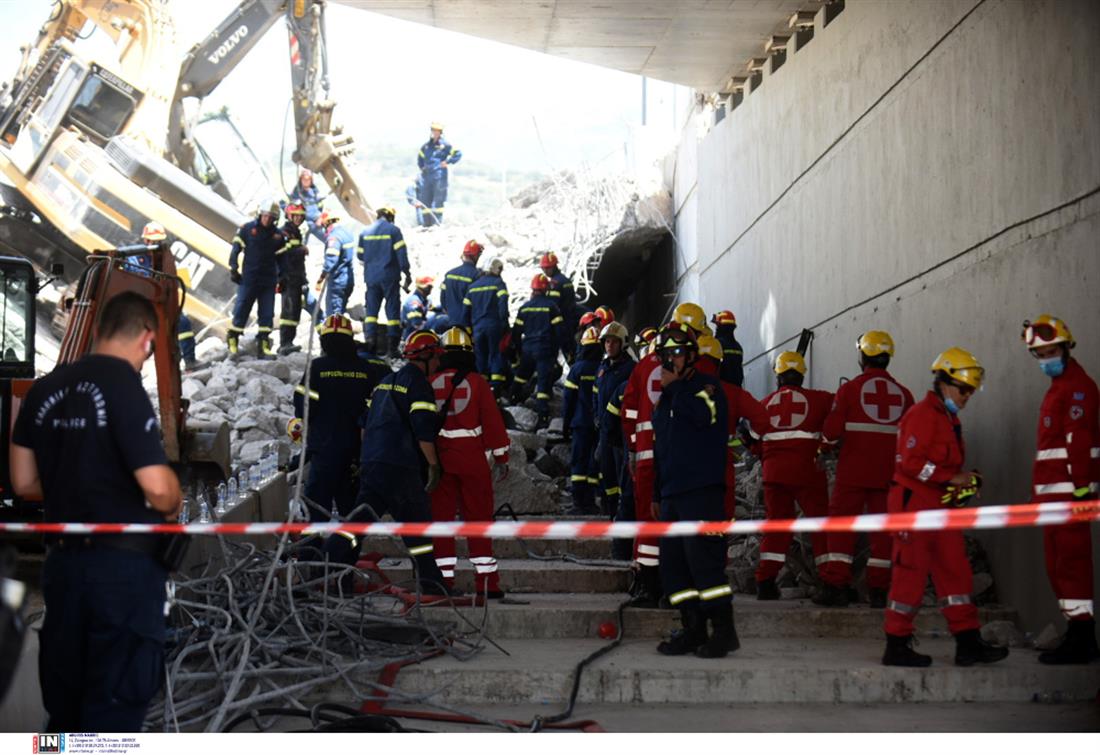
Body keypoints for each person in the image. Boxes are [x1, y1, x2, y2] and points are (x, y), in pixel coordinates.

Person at [10, 291, 183, 731]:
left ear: (100, 329)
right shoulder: (124, 386)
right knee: (113, 711)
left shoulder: (43, 390)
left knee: (66, 709)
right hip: (121, 574)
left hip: (62, 567)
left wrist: (77, 479)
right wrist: (172, 495)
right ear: (146, 338)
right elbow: (159, 490)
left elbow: (23, 482)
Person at [882, 347, 1009, 668]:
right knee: (910, 576)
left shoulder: (947, 418)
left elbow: (936, 467)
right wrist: (950, 478)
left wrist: (961, 484)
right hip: (913, 506)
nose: (967, 397)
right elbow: (911, 463)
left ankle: (968, 642)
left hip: (938, 506)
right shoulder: (922, 415)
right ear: (944, 382)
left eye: (971, 391)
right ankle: (896, 644)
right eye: (963, 389)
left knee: (956, 572)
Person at [322, 330, 451, 594]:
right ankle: (432, 584)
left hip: (373, 463)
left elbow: (364, 425)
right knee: (417, 527)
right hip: (400, 466)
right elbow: (423, 430)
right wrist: (434, 466)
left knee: (356, 525)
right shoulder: (418, 384)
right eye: (436, 357)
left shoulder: (385, 382)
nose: (439, 363)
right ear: (426, 356)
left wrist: (367, 457)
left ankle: (322, 566)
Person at [651, 322, 736, 658]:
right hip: (672, 494)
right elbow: (662, 448)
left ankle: (724, 631)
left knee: (705, 563)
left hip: (701, 491)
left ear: (690, 356)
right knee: (674, 567)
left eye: (676, 353)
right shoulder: (666, 399)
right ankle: (693, 628)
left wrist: (675, 390)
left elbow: (705, 417)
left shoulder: (706, 388)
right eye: (665, 354)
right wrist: (657, 493)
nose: (669, 360)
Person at [816, 331, 914, 608]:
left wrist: (824, 447)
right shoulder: (904, 394)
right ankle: (879, 591)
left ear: (862, 356)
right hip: (888, 474)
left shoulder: (850, 390)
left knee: (841, 526)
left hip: (853, 472)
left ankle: (836, 586)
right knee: (883, 532)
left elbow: (832, 431)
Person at [1021, 315, 1099, 664]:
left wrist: (1082, 490)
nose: (1045, 359)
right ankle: (1076, 631)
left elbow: (1078, 441)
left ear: (1067, 348)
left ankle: (1082, 637)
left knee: (1071, 565)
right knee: (1058, 566)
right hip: (1054, 499)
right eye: (1040, 355)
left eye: (1051, 352)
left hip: (1070, 497)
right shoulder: (1060, 388)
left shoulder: (1077, 387)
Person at [429, 328, 511, 598]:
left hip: (439, 462)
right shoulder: (477, 382)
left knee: (441, 522)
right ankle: (487, 584)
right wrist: (501, 457)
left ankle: (443, 582)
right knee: (478, 521)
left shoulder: (429, 381)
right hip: (472, 460)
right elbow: (493, 422)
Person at [751, 351, 833, 600]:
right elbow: (841, 413)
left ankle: (765, 581)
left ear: (778, 376)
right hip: (807, 472)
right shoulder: (820, 399)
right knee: (820, 526)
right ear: (801, 375)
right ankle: (830, 581)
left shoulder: (764, 404)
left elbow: (752, 440)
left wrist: (765, 455)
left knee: (777, 527)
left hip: (774, 474)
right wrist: (826, 446)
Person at [293, 314, 389, 522]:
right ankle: (348, 542)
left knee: (317, 505)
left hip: (324, 448)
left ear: (324, 341)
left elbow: (303, 407)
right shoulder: (366, 369)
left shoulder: (317, 368)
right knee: (353, 509)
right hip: (358, 451)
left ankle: (316, 542)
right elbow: (377, 410)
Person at [695, 334, 771, 520]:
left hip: (685, 472)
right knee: (721, 521)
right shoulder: (732, 392)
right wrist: (752, 439)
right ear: (719, 364)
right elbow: (762, 418)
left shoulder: (677, 391)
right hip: (720, 468)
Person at [135, 222, 197, 370]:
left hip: (163, 301)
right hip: (144, 305)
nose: (156, 245)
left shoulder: (164, 257)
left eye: (159, 241)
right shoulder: (136, 258)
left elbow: (172, 279)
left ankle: (190, 362)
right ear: (146, 240)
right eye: (154, 241)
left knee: (183, 323)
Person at [228, 200, 285, 359]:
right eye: (265, 215)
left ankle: (263, 345)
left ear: (275, 219)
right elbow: (236, 249)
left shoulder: (278, 236)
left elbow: (282, 260)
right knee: (241, 309)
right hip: (249, 278)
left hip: (268, 281)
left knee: (267, 313)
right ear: (260, 215)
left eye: (271, 217)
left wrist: (282, 278)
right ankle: (233, 340)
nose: (267, 219)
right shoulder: (247, 229)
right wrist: (233, 268)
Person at [510, 273, 566, 429]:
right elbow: (559, 332)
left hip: (528, 349)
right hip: (544, 350)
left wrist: (518, 351)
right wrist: (559, 351)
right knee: (543, 383)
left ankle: (512, 400)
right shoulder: (552, 307)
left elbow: (516, 333)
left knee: (521, 376)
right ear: (546, 289)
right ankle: (543, 417)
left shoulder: (524, 308)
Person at [594, 322, 636, 519]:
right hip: (605, 430)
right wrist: (596, 416)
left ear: (623, 344)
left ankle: (623, 513)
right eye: (607, 342)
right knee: (607, 471)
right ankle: (611, 511)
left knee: (622, 473)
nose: (609, 346)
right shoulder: (603, 368)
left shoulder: (631, 369)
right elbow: (596, 394)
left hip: (621, 432)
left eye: (614, 342)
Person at [359, 206, 410, 358]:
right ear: (390, 216)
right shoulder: (394, 231)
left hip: (371, 278)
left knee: (371, 312)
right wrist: (407, 273)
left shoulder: (365, 232)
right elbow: (402, 255)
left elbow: (360, 256)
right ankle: (392, 348)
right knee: (392, 312)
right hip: (389, 276)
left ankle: (370, 343)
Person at [561, 326, 602, 515]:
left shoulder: (577, 369)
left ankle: (579, 503)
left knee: (579, 462)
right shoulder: (604, 368)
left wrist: (565, 424)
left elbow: (568, 399)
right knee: (594, 462)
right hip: (598, 425)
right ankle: (591, 501)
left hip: (580, 423)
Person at [463, 257, 510, 396]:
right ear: (497, 270)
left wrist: (468, 330)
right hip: (494, 326)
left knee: (480, 356)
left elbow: (465, 311)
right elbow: (503, 304)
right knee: (495, 354)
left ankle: (481, 387)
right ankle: (496, 389)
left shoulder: (472, 287)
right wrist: (505, 324)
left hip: (477, 328)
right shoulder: (498, 283)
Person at [276, 204, 309, 355]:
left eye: (301, 216)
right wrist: (300, 250)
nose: (299, 218)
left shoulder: (295, 232)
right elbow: (283, 254)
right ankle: (285, 343)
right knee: (289, 311)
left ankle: (289, 342)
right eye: (296, 215)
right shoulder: (285, 232)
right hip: (288, 278)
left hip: (296, 278)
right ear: (289, 216)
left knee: (295, 310)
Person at [417, 122, 462, 226]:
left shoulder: (445, 145)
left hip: (439, 176)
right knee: (425, 202)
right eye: (433, 130)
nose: (435, 133)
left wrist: (448, 162)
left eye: (437, 131)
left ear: (440, 132)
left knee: (438, 202)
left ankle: (436, 224)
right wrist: (422, 167)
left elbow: (458, 154)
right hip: (427, 177)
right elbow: (420, 158)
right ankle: (426, 226)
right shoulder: (426, 146)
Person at [315, 210, 356, 318]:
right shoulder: (347, 233)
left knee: (333, 315)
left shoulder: (334, 237)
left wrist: (321, 278)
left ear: (327, 223)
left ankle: (335, 329)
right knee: (340, 312)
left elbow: (331, 261)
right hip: (348, 279)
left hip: (337, 282)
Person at [540, 253, 577, 363]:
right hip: (570, 321)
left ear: (554, 266)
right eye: (543, 268)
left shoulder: (554, 284)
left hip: (561, 323)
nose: (545, 271)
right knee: (572, 351)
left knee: (566, 353)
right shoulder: (566, 280)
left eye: (547, 268)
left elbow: (552, 306)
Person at [440, 240, 483, 324]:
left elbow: (443, 299)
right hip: (469, 324)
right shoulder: (477, 276)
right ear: (476, 256)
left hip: (451, 322)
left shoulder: (449, 274)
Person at [289, 167, 326, 245]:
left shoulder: (314, 191)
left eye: (308, 179)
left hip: (317, 221)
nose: (306, 181)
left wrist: (320, 218)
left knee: (328, 238)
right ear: (301, 180)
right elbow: (291, 209)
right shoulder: (296, 193)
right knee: (300, 244)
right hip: (304, 223)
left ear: (311, 180)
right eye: (304, 179)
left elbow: (322, 206)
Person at [711, 310, 744, 387]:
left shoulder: (717, 344)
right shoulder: (738, 347)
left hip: (720, 389)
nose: (716, 329)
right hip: (736, 389)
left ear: (720, 326)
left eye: (717, 326)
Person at [401, 275, 435, 341]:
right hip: (411, 339)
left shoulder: (425, 301)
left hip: (419, 337)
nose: (431, 288)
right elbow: (417, 324)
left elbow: (433, 308)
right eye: (429, 286)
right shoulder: (414, 302)